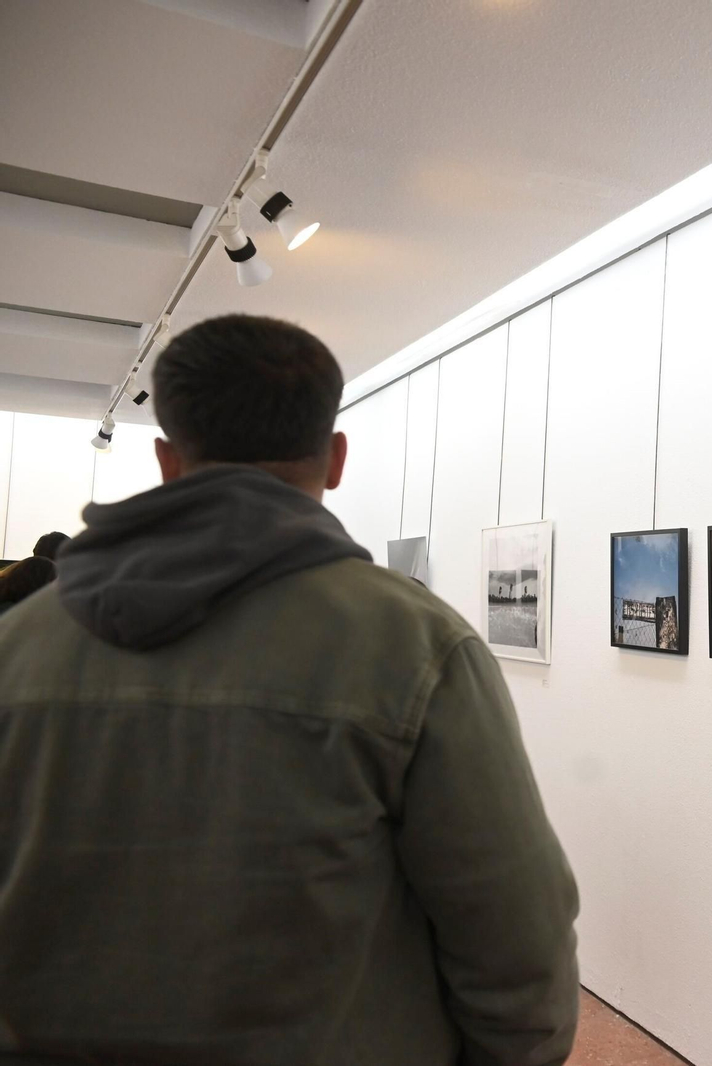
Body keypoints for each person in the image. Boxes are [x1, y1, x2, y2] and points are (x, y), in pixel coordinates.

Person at [0, 314, 579, 1065]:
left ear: (167, 459)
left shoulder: (17, 646)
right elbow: (514, 933)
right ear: (335, 457)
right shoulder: (416, 646)